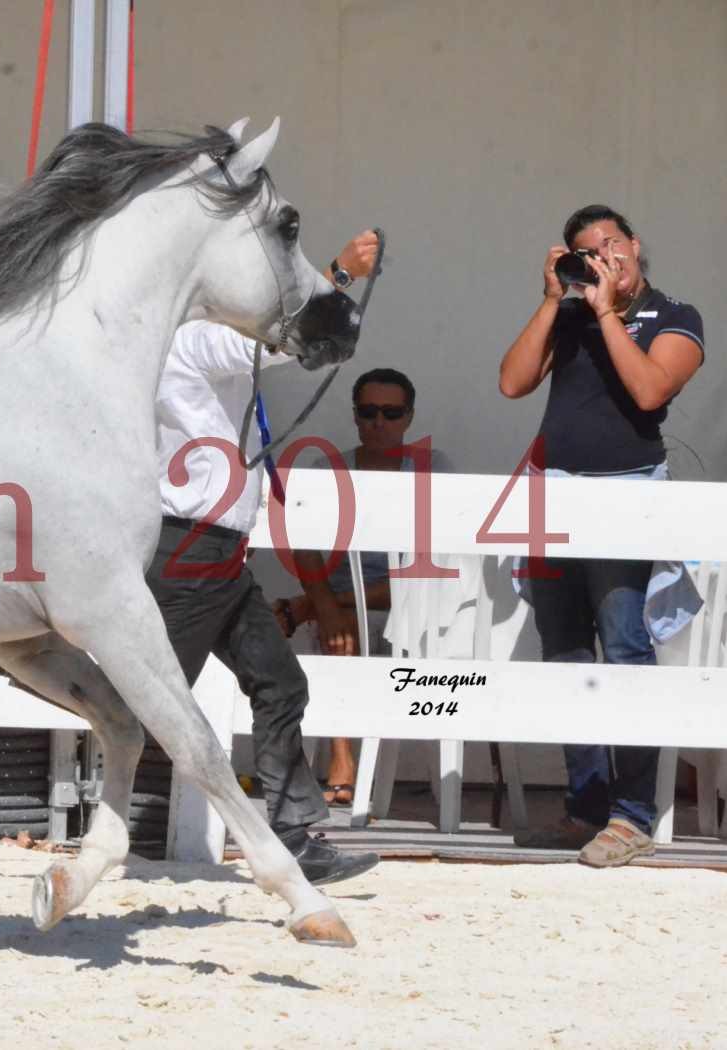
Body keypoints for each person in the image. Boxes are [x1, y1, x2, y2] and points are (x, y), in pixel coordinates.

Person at [0, 233, 385, 886]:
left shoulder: (181, 340)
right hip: (192, 548)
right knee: (145, 708)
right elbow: (275, 346)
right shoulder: (193, 338)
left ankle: (296, 833)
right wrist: (339, 273)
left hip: (217, 552)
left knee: (279, 684)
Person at [498, 204, 704, 867]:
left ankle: (631, 813)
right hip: (556, 493)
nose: (602, 258)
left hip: (628, 492)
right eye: (586, 252)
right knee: (563, 651)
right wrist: (553, 298)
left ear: (635, 246)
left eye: (610, 244)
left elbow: (648, 392)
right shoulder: (570, 313)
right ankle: (585, 805)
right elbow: (511, 383)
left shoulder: (674, 316)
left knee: (623, 647)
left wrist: (609, 311)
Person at [272, 368, 455, 805]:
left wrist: (316, 606)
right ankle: (341, 756)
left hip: (410, 599)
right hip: (345, 609)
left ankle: (307, 609)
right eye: (368, 411)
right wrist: (330, 608)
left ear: (409, 417)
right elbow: (305, 549)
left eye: (391, 413)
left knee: (395, 589)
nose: (379, 422)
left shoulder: (432, 467)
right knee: (342, 627)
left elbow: (435, 565)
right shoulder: (328, 469)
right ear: (355, 416)